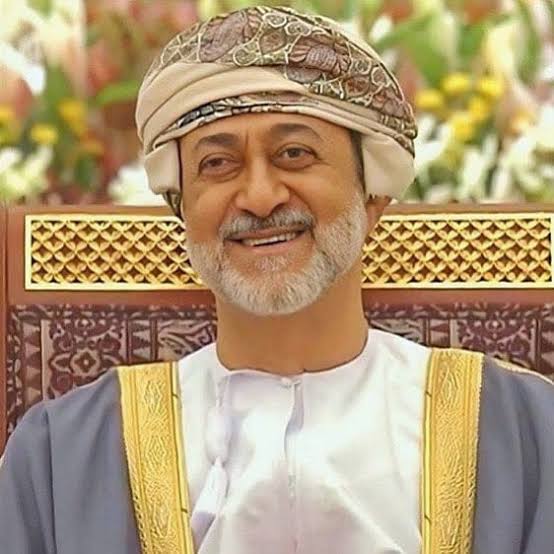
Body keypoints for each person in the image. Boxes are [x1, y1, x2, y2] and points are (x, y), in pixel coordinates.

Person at [0, 6, 553, 554]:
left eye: (294, 154)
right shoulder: (61, 460)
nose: (260, 197)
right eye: (218, 164)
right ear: (183, 208)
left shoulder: (524, 434)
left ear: (372, 197)